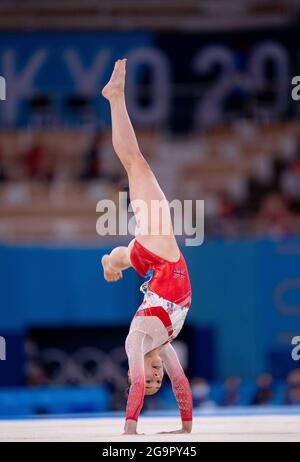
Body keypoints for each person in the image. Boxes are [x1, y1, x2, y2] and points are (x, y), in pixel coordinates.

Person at [101, 59, 193, 435]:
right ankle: (112, 262)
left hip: (161, 253)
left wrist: (130, 430)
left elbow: (136, 385)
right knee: (124, 255)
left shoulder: (138, 340)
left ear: (135, 368)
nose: (155, 375)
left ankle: (114, 97)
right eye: (158, 379)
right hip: (159, 262)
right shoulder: (165, 346)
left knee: (135, 164)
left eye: (149, 377)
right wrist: (185, 430)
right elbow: (182, 384)